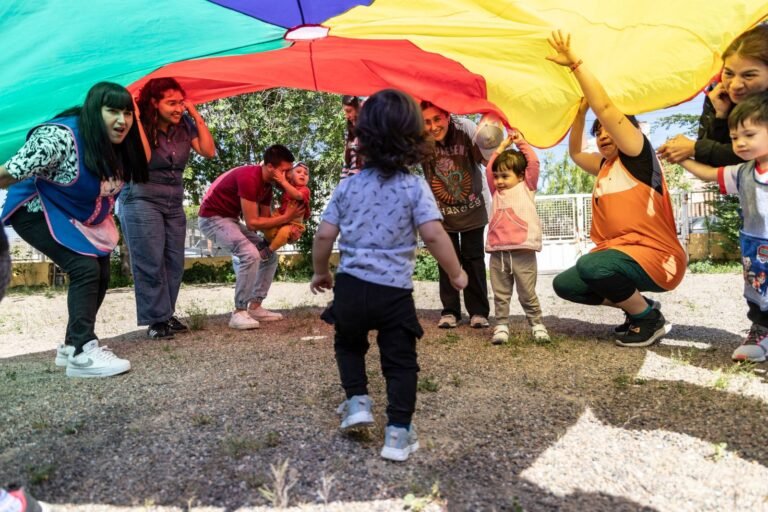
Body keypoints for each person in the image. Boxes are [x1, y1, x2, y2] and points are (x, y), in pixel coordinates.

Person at [310, 89, 468, 462]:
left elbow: (324, 235)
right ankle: (397, 431)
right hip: (394, 293)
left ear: (362, 138)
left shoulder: (347, 186)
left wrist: (320, 272)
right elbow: (433, 235)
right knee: (399, 361)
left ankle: (358, 401)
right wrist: (457, 273)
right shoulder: (415, 187)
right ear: (414, 137)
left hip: (350, 287)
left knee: (349, 344)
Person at [547, 31, 686, 347]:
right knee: (566, 284)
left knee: (592, 265)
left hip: (658, 257)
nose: (603, 134)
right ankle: (639, 308)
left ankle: (647, 320)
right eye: (598, 132)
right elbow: (575, 154)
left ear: (631, 130)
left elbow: (608, 108)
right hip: (623, 254)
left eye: (610, 128)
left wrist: (576, 65)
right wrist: (580, 115)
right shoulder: (604, 167)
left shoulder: (637, 154)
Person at [0, 82, 148, 377]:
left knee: (102, 269)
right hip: (35, 211)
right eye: (113, 111)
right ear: (95, 111)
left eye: (128, 113)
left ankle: (71, 347)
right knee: (84, 268)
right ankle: (82, 352)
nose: (123, 120)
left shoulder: (120, 143)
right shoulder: (58, 138)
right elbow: (7, 174)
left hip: (77, 213)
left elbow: (143, 160)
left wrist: (139, 116)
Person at [119, 77, 215, 339]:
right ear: (154, 103)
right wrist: (138, 119)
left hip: (173, 201)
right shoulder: (137, 126)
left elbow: (208, 151)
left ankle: (166, 313)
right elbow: (145, 157)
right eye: (171, 103)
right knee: (150, 261)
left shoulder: (184, 123)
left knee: (174, 261)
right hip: (141, 198)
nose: (178, 108)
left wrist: (195, 114)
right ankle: (156, 320)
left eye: (180, 102)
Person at [677, 92, 768, 361]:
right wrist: (681, 159)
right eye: (734, 138)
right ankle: (760, 333)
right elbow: (708, 173)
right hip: (755, 249)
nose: (740, 143)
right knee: (757, 295)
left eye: (749, 135)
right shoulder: (743, 172)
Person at [198, 145, 302, 330]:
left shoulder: (266, 187)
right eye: (284, 171)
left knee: (269, 256)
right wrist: (286, 218)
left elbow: (266, 225)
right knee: (250, 253)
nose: (288, 176)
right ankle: (239, 312)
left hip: (230, 220)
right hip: (212, 219)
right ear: (270, 167)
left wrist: (287, 232)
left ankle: (254, 307)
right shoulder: (249, 177)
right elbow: (253, 223)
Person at [420, 101, 491, 329]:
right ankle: (450, 311)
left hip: (472, 207)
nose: (433, 126)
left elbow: (488, 160)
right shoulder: (419, 138)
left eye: (437, 119)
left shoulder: (466, 129)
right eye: (427, 122)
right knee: (446, 261)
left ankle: (478, 312)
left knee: (473, 259)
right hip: (441, 212)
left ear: (447, 115)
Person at [658, 24, 768, 167]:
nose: (735, 85)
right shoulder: (719, 95)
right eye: (728, 73)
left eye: (749, 75)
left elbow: (754, 154)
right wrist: (720, 116)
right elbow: (713, 162)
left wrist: (694, 148)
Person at [484, 130, 550, 345]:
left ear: (521, 175)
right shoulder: (496, 192)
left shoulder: (526, 186)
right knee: (500, 293)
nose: (499, 181)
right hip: (498, 251)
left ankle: (537, 324)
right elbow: (488, 168)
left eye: (505, 176)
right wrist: (502, 146)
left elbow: (533, 163)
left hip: (523, 250)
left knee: (527, 292)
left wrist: (520, 141)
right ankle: (501, 325)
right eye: (497, 177)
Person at [259, 161, 311, 261]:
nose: (302, 174)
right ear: (290, 175)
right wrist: (264, 164)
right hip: (281, 215)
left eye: (306, 174)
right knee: (269, 225)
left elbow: (298, 195)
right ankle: (266, 241)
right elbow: (276, 179)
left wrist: (284, 182)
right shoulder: (288, 185)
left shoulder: (304, 190)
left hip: (294, 223)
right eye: (299, 171)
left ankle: (269, 250)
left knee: (284, 232)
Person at [340, 95, 363, 180]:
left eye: (349, 111)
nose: (347, 116)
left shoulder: (371, 129)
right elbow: (346, 163)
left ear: (359, 108)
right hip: (351, 180)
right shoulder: (348, 133)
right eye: (345, 112)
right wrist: (342, 183)